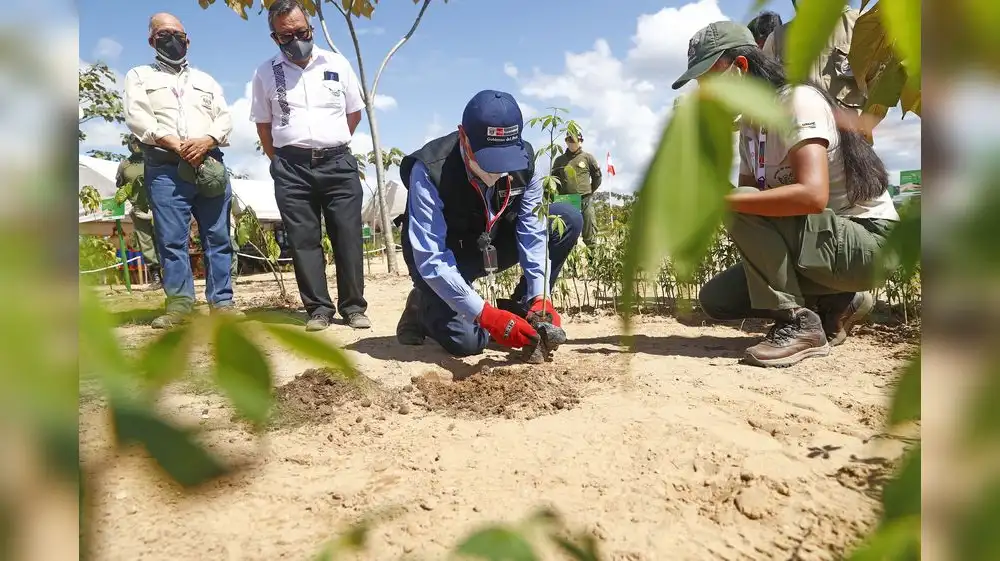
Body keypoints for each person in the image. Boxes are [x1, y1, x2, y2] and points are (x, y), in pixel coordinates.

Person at [672, 21, 898, 368]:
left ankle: (798, 323)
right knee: (717, 299)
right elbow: (753, 201)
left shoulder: (796, 101)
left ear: (740, 67)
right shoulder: (751, 126)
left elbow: (812, 195)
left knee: (737, 202)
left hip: (869, 242)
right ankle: (837, 302)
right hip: (824, 244)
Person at [394, 90, 583, 357]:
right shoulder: (429, 169)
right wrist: (485, 316)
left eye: (505, 159)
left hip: (491, 243)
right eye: (488, 159)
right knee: (468, 343)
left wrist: (540, 296)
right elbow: (431, 257)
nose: (497, 171)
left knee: (567, 218)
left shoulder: (528, 162)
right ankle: (421, 306)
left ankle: (522, 309)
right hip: (446, 259)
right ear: (463, 136)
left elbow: (533, 232)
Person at [250, 0, 371, 332]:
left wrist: (330, 143)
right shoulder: (265, 73)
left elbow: (354, 113)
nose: (296, 40)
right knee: (303, 241)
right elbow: (263, 125)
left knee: (348, 237)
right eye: (286, 36)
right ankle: (318, 309)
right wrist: (282, 160)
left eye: (301, 32)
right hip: (292, 168)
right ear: (275, 37)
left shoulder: (337, 63)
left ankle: (354, 307)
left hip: (338, 164)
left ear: (311, 29)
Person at [124, 12, 238, 329]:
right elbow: (137, 117)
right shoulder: (138, 76)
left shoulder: (206, 80)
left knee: (218, 237)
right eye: (164, 34)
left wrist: (207, 140)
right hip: (165, 168)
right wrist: (175, 144)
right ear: (151, 40)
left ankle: (223, 303)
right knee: (171, 241)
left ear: (188, 40)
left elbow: (224, 118)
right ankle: (180, 306)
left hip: (209, 163)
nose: (172, 39)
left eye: (178, 34)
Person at [761, 1, 869, 139]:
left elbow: (882, 89)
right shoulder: (777, 38)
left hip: (853, 142)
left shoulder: (862, 23)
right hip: (799, 143)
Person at [116, 134, 162, 290]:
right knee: (146, 243)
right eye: (133, 142)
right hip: (138, 209)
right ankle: (156, 277)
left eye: (138, 141)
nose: (136, 144)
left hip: (159, 207)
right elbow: (120, 185)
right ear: (129, 145)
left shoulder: (154, 160)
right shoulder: (124, 165)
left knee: (164, 240)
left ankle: (171, 275)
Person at [551, 132, 602, 247]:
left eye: (575, 140)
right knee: (568, 235)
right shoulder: (559, 160)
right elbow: (554, 182)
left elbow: (597, 177)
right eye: (570, 140)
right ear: (566, 141)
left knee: (589, 234)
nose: (572, 143)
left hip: (585, 199)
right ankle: (570, 259)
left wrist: (589, 190)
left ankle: (592, 257)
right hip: (566, 200)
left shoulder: (588, 158)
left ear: (580, 141)